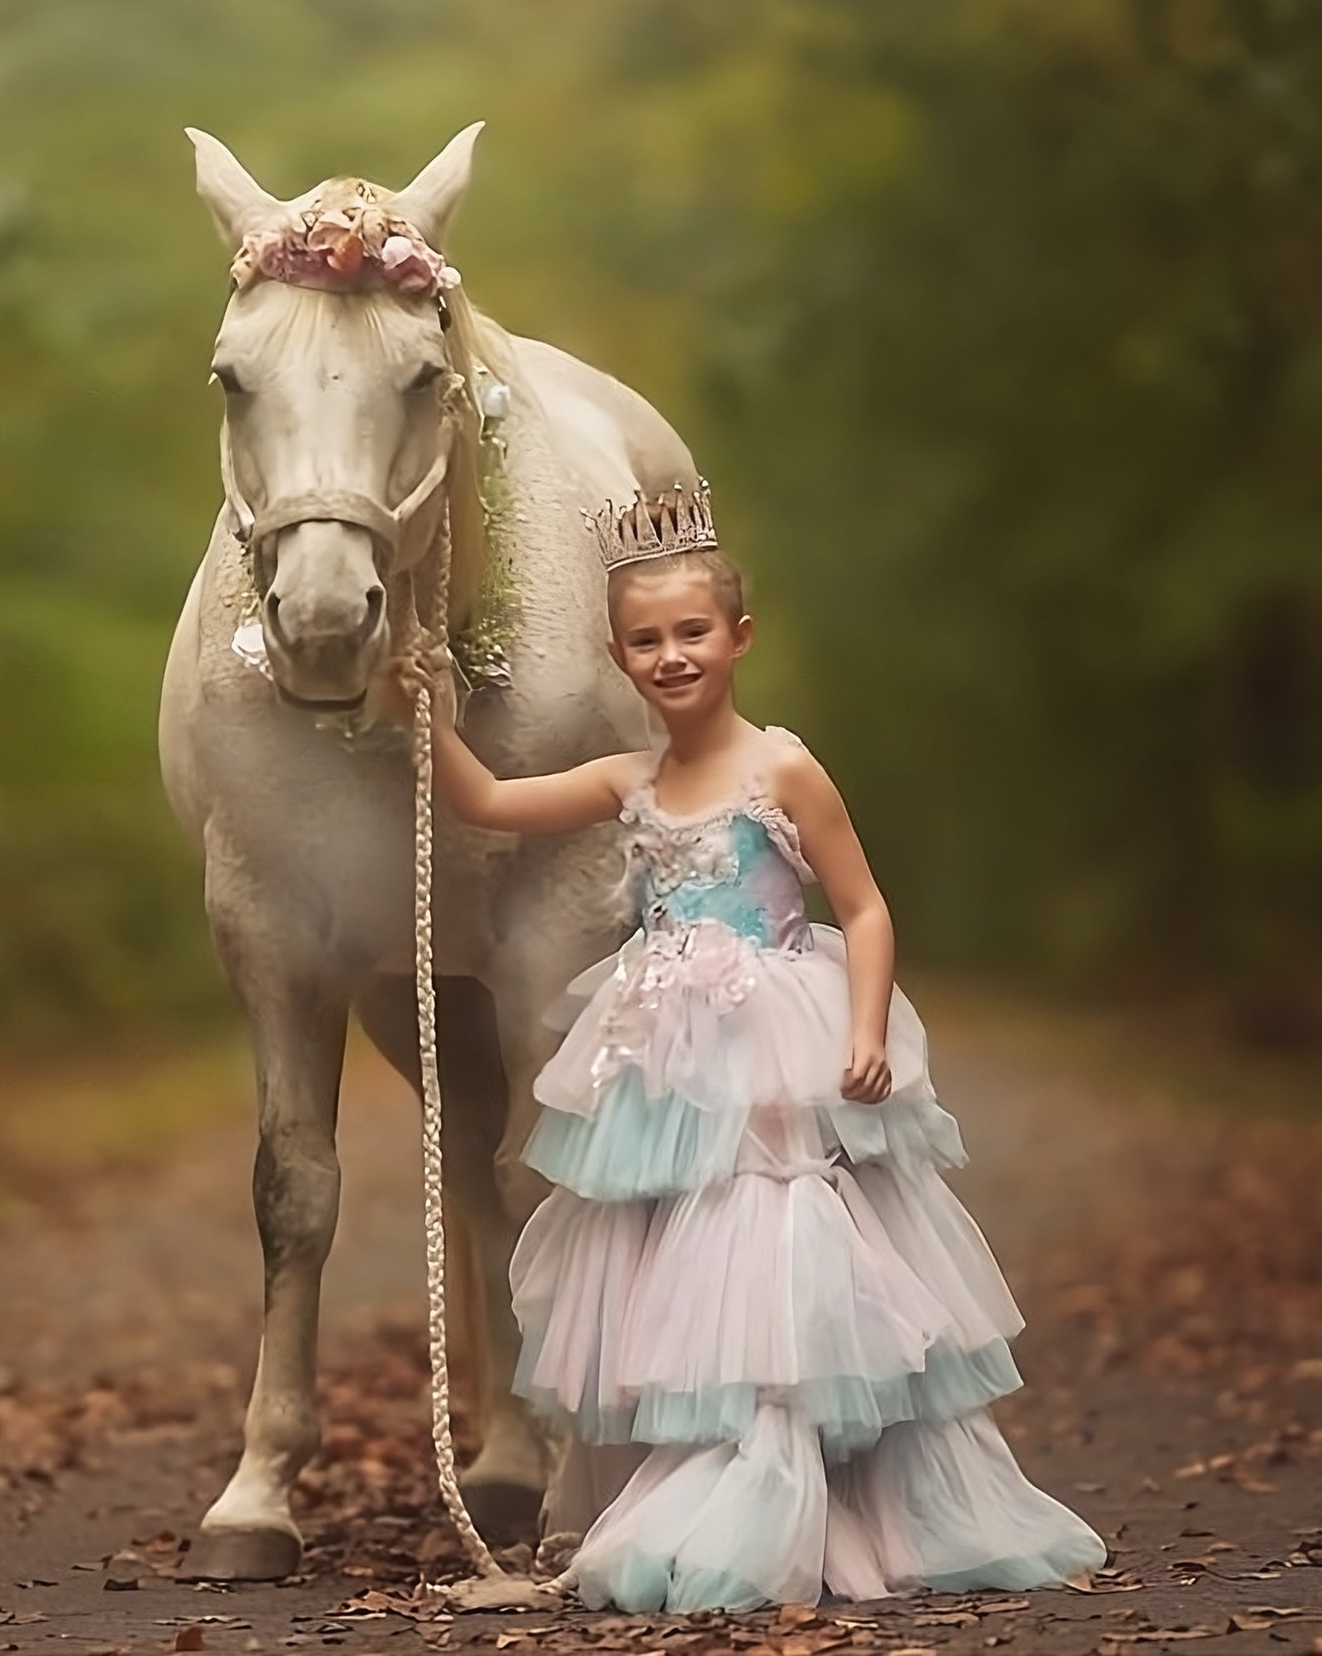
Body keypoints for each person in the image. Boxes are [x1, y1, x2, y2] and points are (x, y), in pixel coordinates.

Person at [377, 484, 1109, 1613]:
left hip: (773, 1047)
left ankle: (784, 1490)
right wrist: (420, 699)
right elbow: (482, 801)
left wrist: (865, 1030)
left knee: (774, 1243)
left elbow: (863, 909)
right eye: (645, 640)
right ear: (617, 656)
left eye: (691, 633)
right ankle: (722, 1475)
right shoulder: (632, 781)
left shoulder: (783, 771)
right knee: (680, 1259)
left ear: (737, 638)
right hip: (667, 1062)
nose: (671, 656)